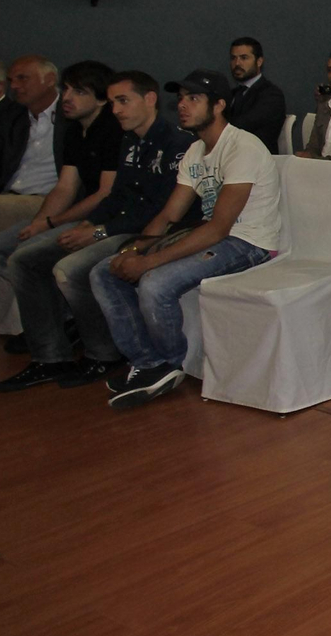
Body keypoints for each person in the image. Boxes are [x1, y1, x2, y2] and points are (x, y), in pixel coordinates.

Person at [92, 70, 281, 409]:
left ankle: (168, 362)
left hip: (250, 244)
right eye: (180, 99)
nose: (182, 106)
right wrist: (134, 249)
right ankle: (148, 362)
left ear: (219, 105)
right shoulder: (196, 151)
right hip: (213, 237)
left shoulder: (243, 147)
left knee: (155, 283)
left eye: (193, 99)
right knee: (104, 271)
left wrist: (147, 261)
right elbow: (169, 216)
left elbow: (220, 228)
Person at [0, 61, 122, 390]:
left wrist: (53, 223)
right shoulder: (77, 128)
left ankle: (51, 354)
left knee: (26, 258)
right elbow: (65, 186)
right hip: (80, 213)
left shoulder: (112, 129)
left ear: (102, 98)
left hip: (106, 218)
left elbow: (106, 194)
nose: (67, 98)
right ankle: (59, 323)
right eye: (68, 89)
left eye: (79, 91)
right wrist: (38, 224)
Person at [0, 55, 66, 251]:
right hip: (5, 195)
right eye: (12, 81)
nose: (15, 86)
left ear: (50, 79)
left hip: (44, 201)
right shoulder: (14, 117)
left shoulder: (68, 118)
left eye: (23, 78)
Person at [224, 37, 287, 153]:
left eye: (244, 58)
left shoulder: (271, 95)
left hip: (256, 161)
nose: (237, 63)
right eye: (233, 58)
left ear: (259, 61)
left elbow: (242, 126)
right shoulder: (232, 94)